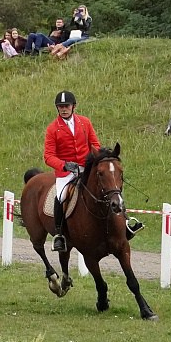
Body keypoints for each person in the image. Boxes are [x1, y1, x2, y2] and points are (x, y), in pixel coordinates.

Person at [43, 90, 101, 252]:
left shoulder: (85, 123)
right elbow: (48, 156)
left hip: (86, 167)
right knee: (61, 196)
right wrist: (64, 165)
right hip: (66, 172)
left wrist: (92, 160)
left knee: (108, 185)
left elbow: (95, 144)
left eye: (66, 106)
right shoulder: (53, 129)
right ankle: (59, 234)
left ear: (73, 106)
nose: (64, 109)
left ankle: (124, 223)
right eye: (60, 106)